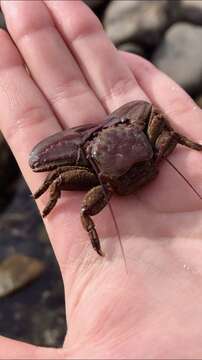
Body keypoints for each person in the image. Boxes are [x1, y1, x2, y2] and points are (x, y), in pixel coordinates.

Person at [1, 1, 202, 358]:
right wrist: (190, 144)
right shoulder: (149, 134)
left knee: (72, 199)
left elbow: (59, 179)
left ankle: (94, 245)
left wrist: (49, 193)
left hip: (115, 184)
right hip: (151, 163)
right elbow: (156, 119)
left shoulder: (91, 167)